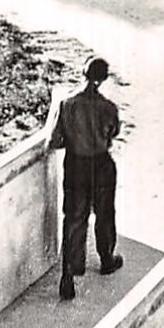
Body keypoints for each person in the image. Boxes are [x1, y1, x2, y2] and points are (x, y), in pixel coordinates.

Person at [47, 56, 123, 301]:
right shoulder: (109, 108)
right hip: (101, 164)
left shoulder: (68, 105)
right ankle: (106, 259)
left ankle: (69, 273)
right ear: (103, 79)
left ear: (83, 74)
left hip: (76, 164)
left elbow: (55, 141)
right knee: (104, 214)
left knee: (74, 219)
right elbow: (113, 132)